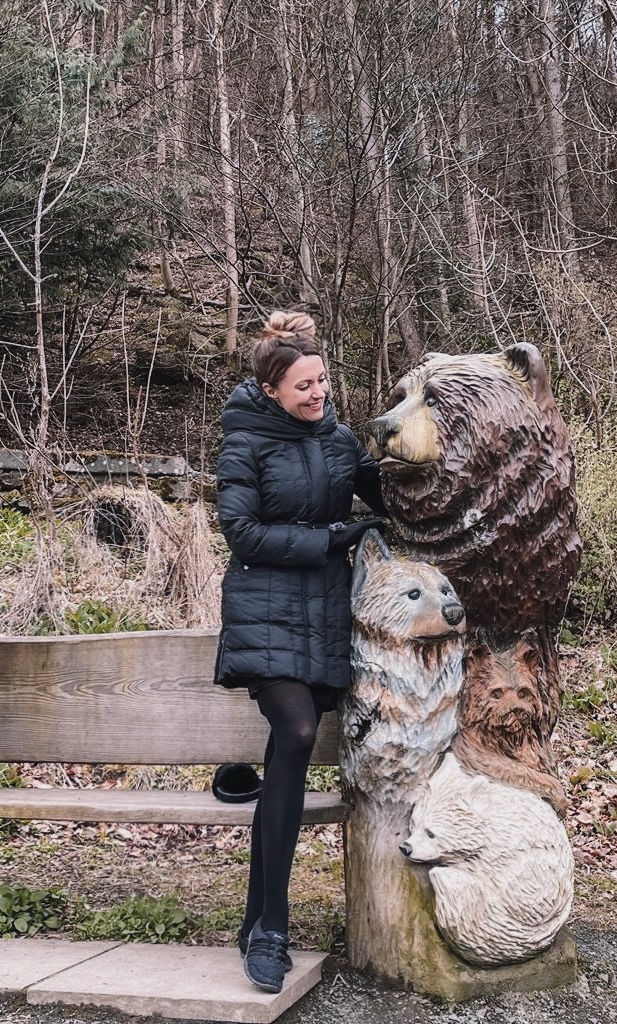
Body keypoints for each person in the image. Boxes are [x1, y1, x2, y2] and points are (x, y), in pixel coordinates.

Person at [213, 310, 386, 994]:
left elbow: (394, 493)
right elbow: (242, 533)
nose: (317, 394)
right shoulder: (245, 441)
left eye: (321, 381)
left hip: (326, 622)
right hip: (264, 617)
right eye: (303, 386)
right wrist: (333, 539)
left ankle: (255, 921)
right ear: (272, 389)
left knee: (285, 758)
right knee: (298, 730)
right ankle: (272, 930)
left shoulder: (341, 441)